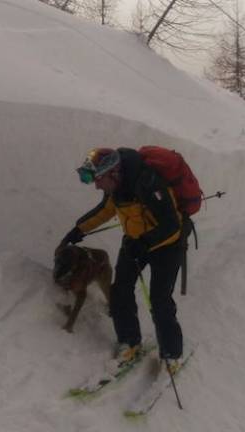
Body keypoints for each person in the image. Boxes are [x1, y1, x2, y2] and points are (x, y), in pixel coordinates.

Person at [57, 147, 185, 371]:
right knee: (120, 291)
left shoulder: (148, 182)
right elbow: (104, 211)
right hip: (135, 243)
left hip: (167, 245)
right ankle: (129, 342)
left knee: (159, 299)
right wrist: (77, 231)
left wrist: (144, 242)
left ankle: (171, 354)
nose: (97, 185)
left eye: (98, 180)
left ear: (113, 173)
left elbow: (171, 224)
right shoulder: (115, 188)